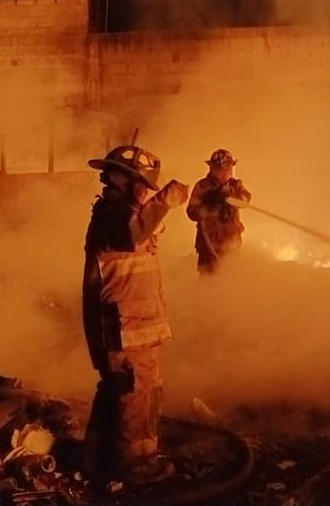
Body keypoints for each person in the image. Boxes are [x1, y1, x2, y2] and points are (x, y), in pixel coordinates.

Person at [81, 144, 189, 485]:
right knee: (132, 392)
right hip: (122, 327)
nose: (144, 191)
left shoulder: (125, 211)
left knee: (126, 389)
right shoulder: (115, 213)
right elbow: (133, 234)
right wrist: (163, 202)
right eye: (139, 184)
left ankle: (98, 457)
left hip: (136, 324)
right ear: (121, 180)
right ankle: (131, 466)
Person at [186, 149, 252, 274]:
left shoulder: (236, 185)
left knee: (231, 279)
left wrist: (231, 197)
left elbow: (245, 199)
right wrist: (208, 207)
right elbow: (191, 211)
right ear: (213, 169)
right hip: (208, 244)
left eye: (228, 170)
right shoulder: (202, 186)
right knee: (208, 283)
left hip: (231, 242)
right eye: (221, 170)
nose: (225, 174)